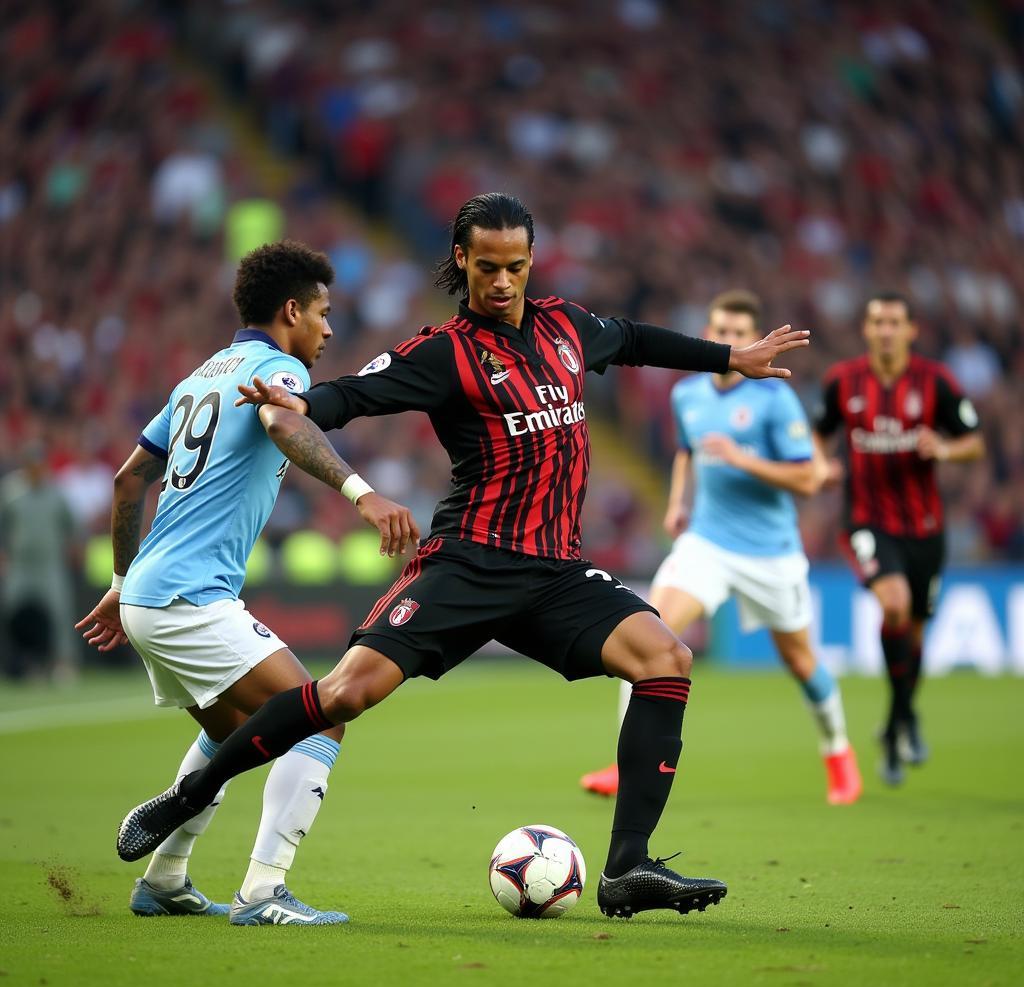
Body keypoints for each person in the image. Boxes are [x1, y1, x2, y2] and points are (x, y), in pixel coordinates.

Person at [117, 193, 810, 920]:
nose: (503, 281)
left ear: (531, 261)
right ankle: (186, 799)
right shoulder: (443, 351)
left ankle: (627, 866)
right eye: (488, 267)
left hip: (553, 574)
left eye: (515, 266)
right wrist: (301, 406)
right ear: (462, 261)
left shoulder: (570, 329)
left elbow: (635, 339)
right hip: (466, 564)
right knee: (346, 694)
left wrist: (733, 356)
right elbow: (356, 393)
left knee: (665, 657)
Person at [76, 240, 418, 925]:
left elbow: (127, 481)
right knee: (324, 712)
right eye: (322, 312)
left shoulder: (197, 377)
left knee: (230, 735)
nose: (328, 328)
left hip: (150, 594)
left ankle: (165, 878)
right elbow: (284, 419)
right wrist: (362, 493)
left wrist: (121, 579)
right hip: (187, 597)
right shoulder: (276, 369)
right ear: (291, 310)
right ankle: (263, 890)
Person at [581, 291, 862, 805]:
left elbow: (806, 479)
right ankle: (628, 765)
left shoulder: (775, 398)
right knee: (644, 633)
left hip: (770, 552)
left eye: (738, 332)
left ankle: (838, 752)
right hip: (706, 543)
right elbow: (689, 451)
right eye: (720, 331)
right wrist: (676, 501)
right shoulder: (688, 394)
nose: (728, 340)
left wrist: (742, 459)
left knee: (800, 661)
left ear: (753, 339)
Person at [813, 292, 984, 784]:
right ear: (866, 330)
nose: (885, 330)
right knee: (894, 605)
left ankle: (897, 722)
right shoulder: (843, 381)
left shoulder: (936, 383)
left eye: (894, 322)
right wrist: (822, 462)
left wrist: (946, 449)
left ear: (911, 330)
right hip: (866, 520)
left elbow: (974, 442)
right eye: (876, 321)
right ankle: (900, 723)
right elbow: (819, 431)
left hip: (926, 529)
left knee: (915, 633)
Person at [0, 441, 78, 683]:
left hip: (49, 563)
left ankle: (64, 664)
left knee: (59, 613)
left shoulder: (56, 492)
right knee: (11, 611)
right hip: (20, 564)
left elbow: (71, 526)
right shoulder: (11, 490)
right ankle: (17, 664)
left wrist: (73, 549)